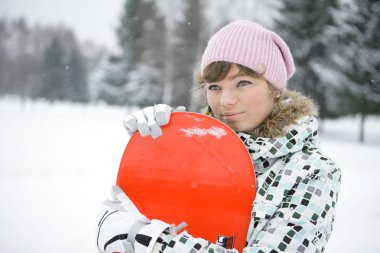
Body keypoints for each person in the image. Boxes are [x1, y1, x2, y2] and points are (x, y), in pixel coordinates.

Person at [96, 20, 341, 253]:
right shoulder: (193, 151)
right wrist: (160, 149)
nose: (225, 101)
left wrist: (155, 244)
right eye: (214, 87)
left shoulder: (313, 171)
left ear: (274, 88)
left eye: (242, 82)